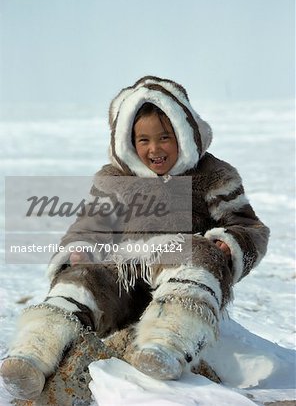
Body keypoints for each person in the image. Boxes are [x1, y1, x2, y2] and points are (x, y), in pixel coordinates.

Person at [0, 76, 269, 400]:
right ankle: (33, 352)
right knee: (84, 277)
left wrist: (230, 244)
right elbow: (89, 223)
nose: (154, 148)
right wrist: (79, 250)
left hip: (177, 265)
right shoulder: (114, 179)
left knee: (199, 255)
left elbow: (247, 225)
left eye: (165, 137)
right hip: (122, 273)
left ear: (186, 134)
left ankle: (168, 344)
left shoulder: (212, 174)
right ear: (128, 141)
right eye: (143, 140)